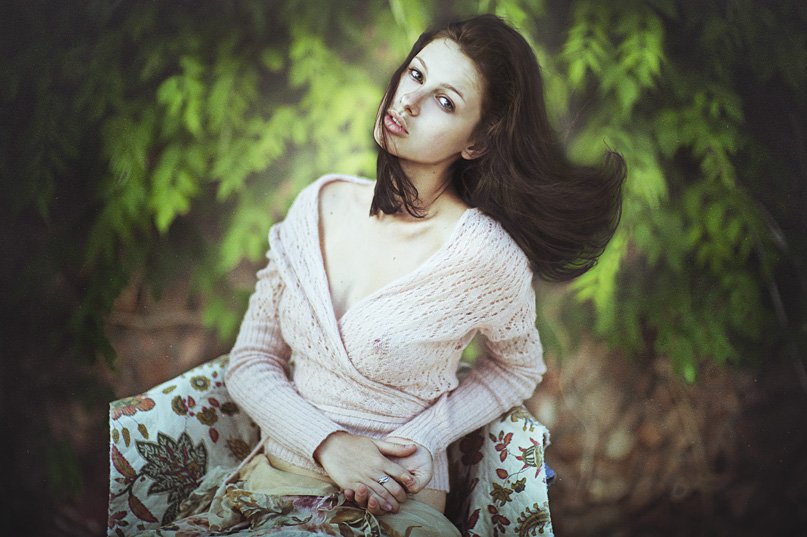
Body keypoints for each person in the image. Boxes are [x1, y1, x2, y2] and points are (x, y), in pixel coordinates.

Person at [150, 13, 625, 537]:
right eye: (416, 75)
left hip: (394, 510)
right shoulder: (319, 203)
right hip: (268, 491)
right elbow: (251, 360)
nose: (409, 102)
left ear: (476, 143)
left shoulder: (484, 255)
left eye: (445, 102)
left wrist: (427, 436)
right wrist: (330, 445)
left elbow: (517, 368)